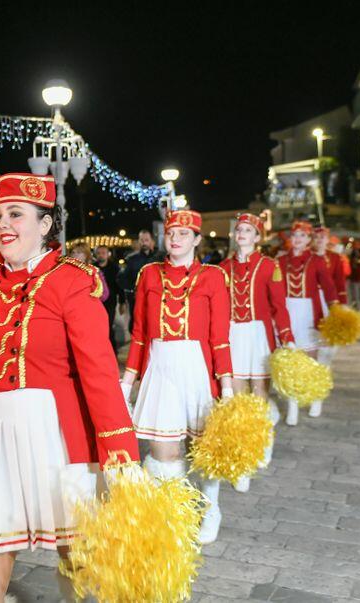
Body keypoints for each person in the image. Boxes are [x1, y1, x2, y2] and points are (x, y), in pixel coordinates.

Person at [0, 172, 138, 602]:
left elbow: (99, 373)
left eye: (15, 214)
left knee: (81, 564)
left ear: (45, 225)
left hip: (57, 439)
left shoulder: (71, 280)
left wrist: (122, 458)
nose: (3, 224)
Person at [122, 208, 232, 544]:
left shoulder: (213, 277)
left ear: (197, 239)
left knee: (202, 449)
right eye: (171, 233)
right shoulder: (149, 274)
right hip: (160, 368)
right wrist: (127, 381)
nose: (175, 238)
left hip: (197, 370)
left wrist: (227, 385)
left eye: (184, 234)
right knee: (163, 453)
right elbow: (139, 334)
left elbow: (219, 337)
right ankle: (170, 514)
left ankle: (210, 509)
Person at [219, 213, 293, 492]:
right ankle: (244, 454)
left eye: (248, 230)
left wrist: (287, 338)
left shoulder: (269, 266)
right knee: (238, 397)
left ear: (257, 237)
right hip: (233, 336)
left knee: (260, 394)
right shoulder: (223, 267)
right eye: (239, 229)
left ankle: (263, 442)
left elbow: (279, 306)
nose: (241, 234)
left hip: (260, 336)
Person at [278, 220, 339, 424]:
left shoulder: (317, 260)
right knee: (290, 361)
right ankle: (292, 405)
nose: (298, 239)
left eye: (303, 236)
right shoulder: (280, 261)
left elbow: (329, 287)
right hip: (287, 313)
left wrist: (336, 310)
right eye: (295, 235)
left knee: (311, 361)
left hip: (310, 315)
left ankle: (316, 397)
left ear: (309, 240)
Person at [312, 226, 348, 366]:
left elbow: (340, 281)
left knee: (331, 332)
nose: (319, 240)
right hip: (311, 298)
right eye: (316, 237)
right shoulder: (307, 256)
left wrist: (342, 303)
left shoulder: (335, 257)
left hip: (330, 298)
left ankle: (325, 361)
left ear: (327, 240)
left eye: (322, 237)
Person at [117, 229, 163, 333]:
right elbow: (121, 278)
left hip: (157, 298)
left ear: (152, 241)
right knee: (136, 324)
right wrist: (133, 289)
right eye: (141, 240)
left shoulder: (161, 258)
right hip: (136, 299)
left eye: (146, 240)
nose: (144, 243)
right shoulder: (131, 259)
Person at [94, 244, 121, 352]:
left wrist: (122, 301)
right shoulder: (92, 268)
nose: (101, 255)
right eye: (98, 253)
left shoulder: (114, 268)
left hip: (110, 302)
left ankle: (112, 351)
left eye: (103, 253)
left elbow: (119, 286)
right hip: (96, 303)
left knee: (108, 326)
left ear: (108, 254)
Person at [347, 240, 360, 313]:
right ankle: (359, 311)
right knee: (356, 297)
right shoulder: (351, 254)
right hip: (354, 279)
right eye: (355, 245)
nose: (357, 247)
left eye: (358, 245)